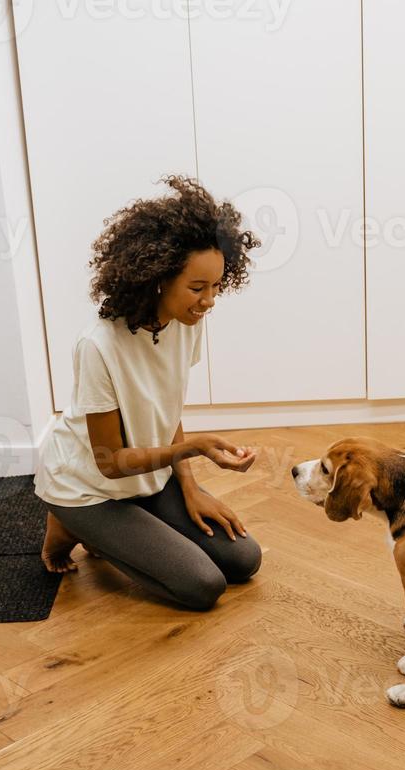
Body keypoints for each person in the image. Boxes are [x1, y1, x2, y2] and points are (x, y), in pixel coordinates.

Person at [35, 176, 263, 610]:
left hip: (146, 478)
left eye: (216, 286)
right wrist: (194, 448)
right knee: (202, 586)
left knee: (243, 560)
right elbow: (110, 463)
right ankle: (70, 522)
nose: (209, 300)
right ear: (158, 278)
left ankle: (118, 532)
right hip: (90, 486)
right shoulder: (98, 345)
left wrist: (191, 488)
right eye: (197, 288)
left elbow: (165, 409)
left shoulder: (185, 323)